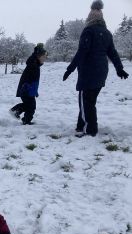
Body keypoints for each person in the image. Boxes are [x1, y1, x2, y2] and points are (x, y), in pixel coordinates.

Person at [63, 0, 128, 137]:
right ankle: (81, 125)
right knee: (89, 100)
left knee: (86, 101)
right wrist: (119, 68)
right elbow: (113, 53)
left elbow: (82, 51)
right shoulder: (107, 33)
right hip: (101, 72)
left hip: (88, 72)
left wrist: (70, 69)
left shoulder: (88, 31)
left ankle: (90, 129)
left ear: (89, 18)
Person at [10, 43, 47, 125]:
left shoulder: (36, 66)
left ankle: (20, 115)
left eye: (45, 57)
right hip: (26, 89)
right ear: (38, 56)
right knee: (31, 106)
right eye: (43, 57)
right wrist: (37, 50)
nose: (45, 58)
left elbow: (34, 81)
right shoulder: (32, 64)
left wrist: (35, 91)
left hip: (30, 90)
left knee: (29, 105)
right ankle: (19, 114)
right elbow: (31, 60)